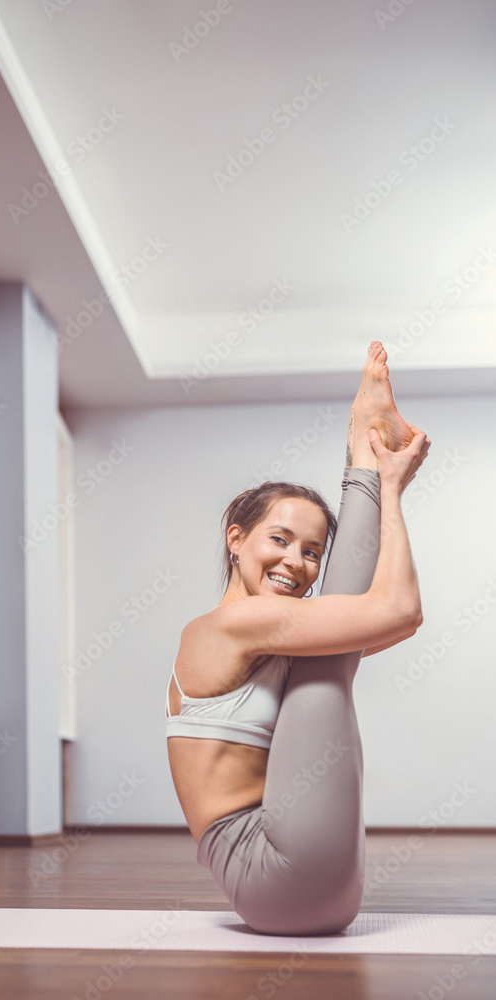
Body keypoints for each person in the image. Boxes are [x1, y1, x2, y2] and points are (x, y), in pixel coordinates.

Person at [165, 341, 431, 935]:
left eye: (314, 551)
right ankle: (363, 453)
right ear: (235, 539)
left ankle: (365, 452)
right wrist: (390, 491)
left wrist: (389, 489)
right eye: (279, 540)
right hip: (277, 874)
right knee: (330, 660)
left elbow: (388, 620)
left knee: (332, 655)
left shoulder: (277, 636)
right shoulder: (226, 626)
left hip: (311, 888)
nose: (298, 563)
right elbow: (401, 610)